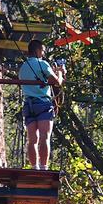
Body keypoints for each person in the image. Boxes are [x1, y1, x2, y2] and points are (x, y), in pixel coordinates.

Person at [18, 40, 65, 170]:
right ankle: (44, 167)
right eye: (43, 51)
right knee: (45, 137)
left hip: (28, 104)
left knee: (32, 139)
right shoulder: (42, 64)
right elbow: (57, 83)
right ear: (38, 50)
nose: (43, 54)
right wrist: (60, 72)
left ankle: (34, 167)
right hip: (43, 103)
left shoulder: (23, 67)